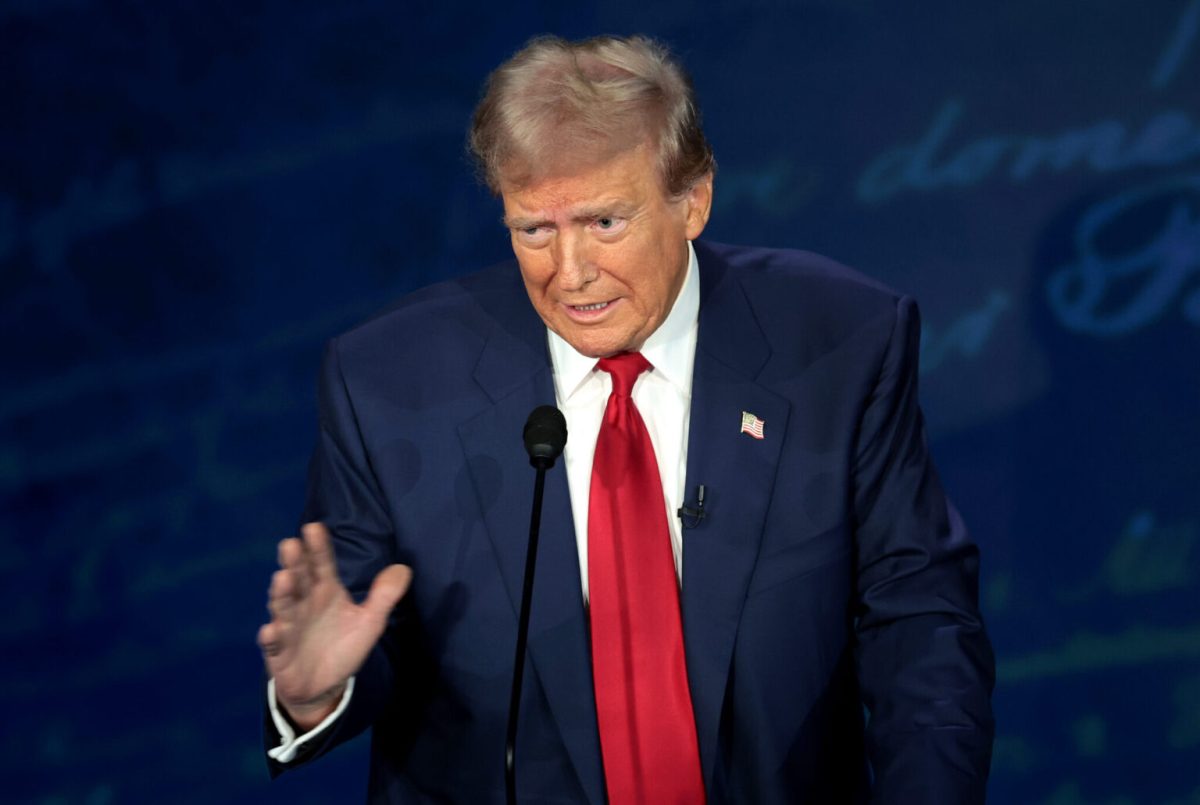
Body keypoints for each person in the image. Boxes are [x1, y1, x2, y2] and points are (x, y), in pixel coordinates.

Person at [258, 34, 995, 804]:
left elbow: (919, 624)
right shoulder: (388, 382)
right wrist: (313, 696)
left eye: (605, 222)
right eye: (534, 229)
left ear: (693, 200)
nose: (569, 272)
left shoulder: (840, 344)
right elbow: (359, 627)